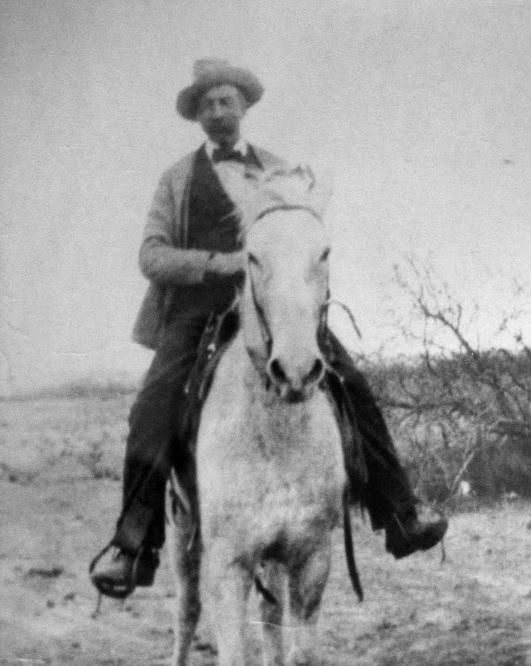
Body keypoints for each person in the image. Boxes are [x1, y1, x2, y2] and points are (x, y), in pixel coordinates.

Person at [90, 60, 447, 599]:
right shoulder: (177, 179)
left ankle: (399, 513)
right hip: (200, 312)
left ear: (244, 107)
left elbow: (306, 239)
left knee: (352, 384)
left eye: (226, 101)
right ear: (197, 115)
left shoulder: (280, 171)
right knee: (152, 406)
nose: (218, 111)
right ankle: (135, 542)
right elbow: (152, 255)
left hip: (275, 309)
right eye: (207, 104)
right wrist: (221, 264)